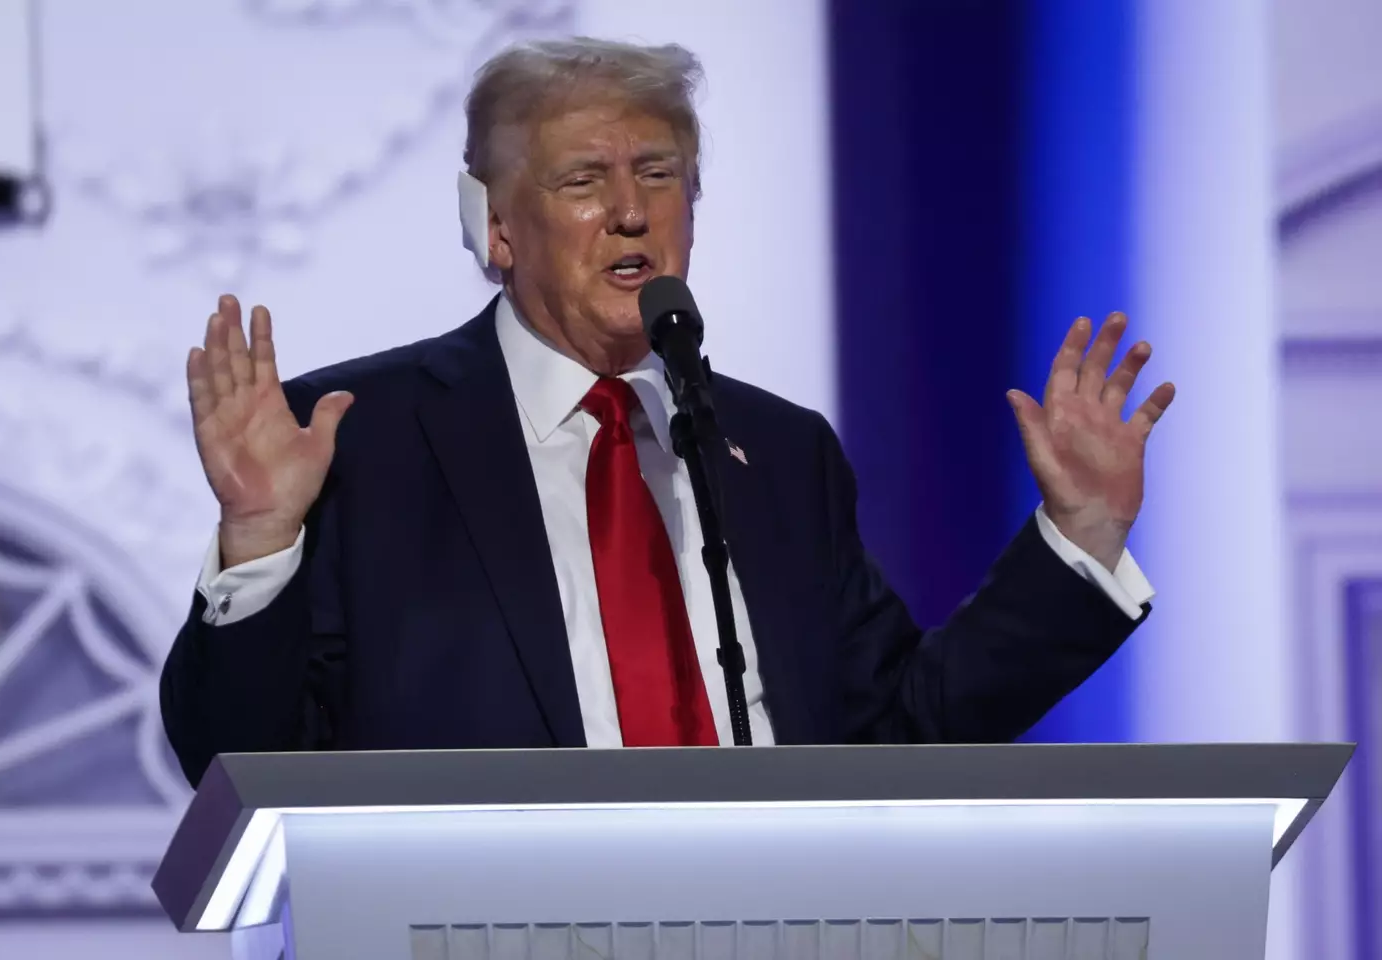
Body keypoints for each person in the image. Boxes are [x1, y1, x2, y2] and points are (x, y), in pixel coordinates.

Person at [160, 38, 1174, 788]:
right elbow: (234, 757)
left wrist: (1077, 538)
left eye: (658, 175)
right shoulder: (358, 440)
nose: (632, 211)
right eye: (583, 181)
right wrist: (257, 541)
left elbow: (899, 733)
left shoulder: (779, 453)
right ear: (497, 228)